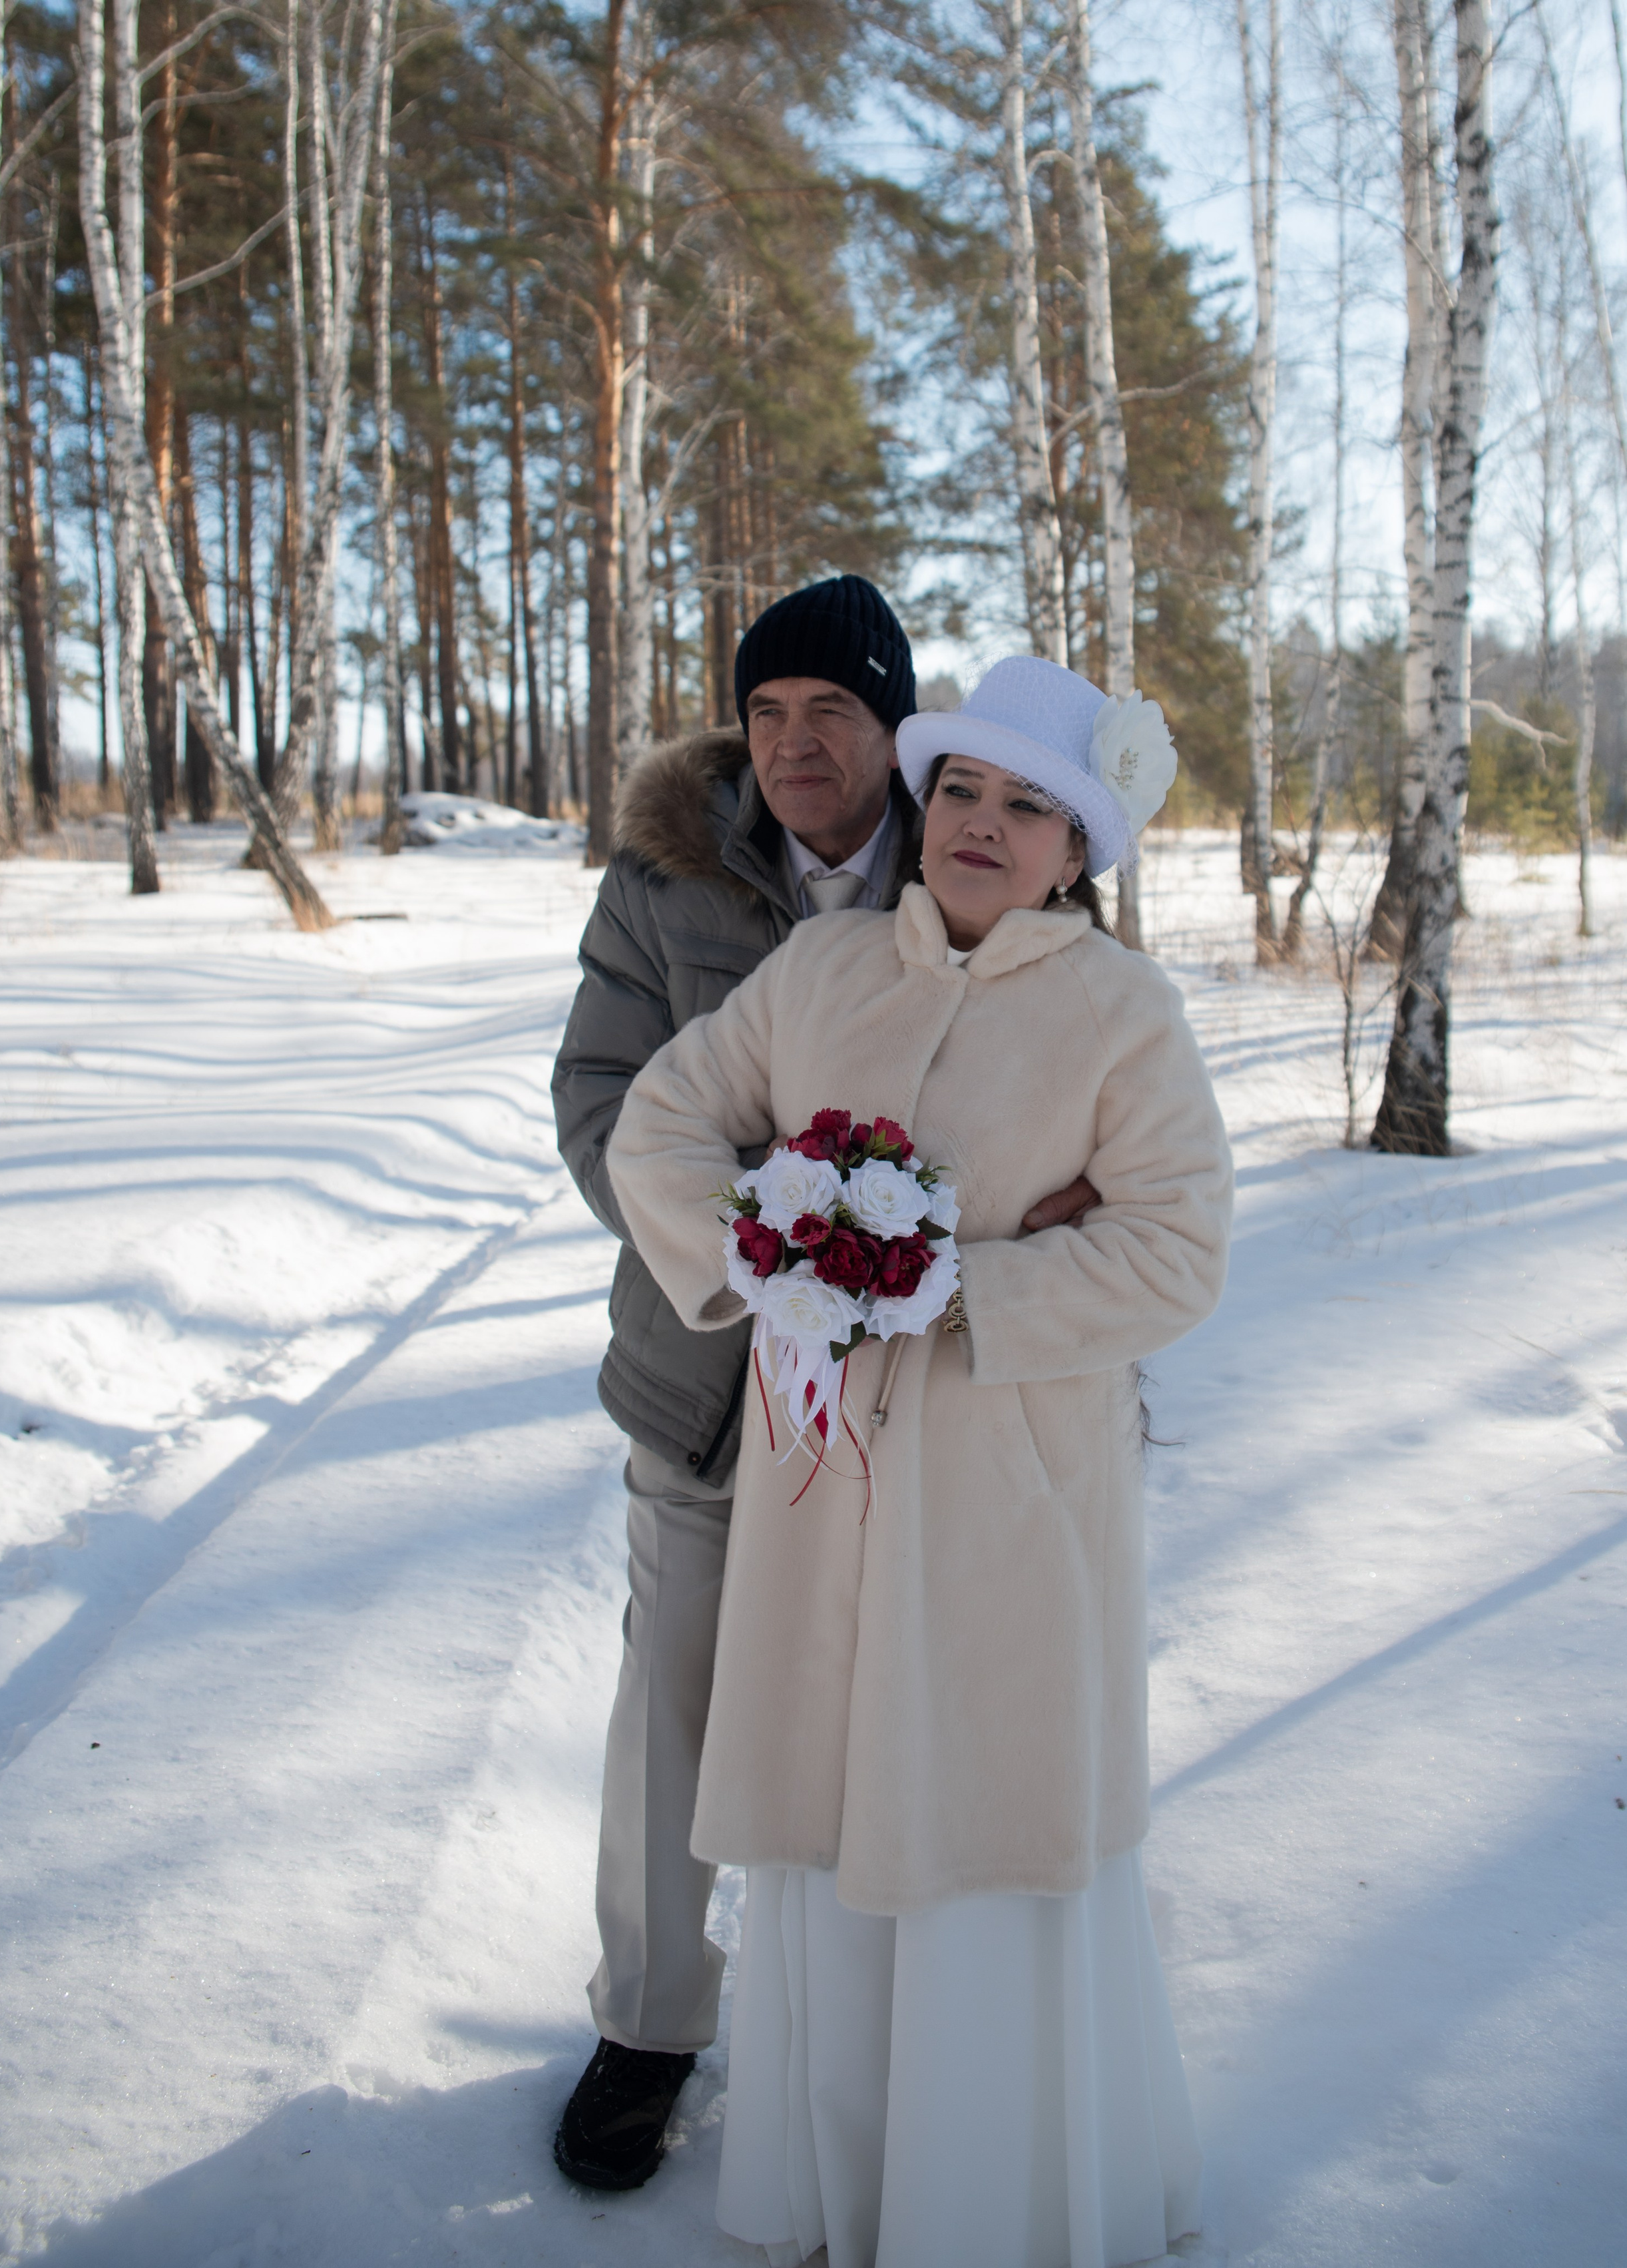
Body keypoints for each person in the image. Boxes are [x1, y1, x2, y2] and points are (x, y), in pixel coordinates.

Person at [604, 655, 1234, 2265]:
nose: (981, 824)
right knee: (831, 1795)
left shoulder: (1120, 1012)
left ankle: (991, 2195)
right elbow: (660, 1121)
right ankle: (837, 2176)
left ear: (1075, 852)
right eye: (960, 787)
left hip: (1009, 1494)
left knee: (980, 1796)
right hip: (823, 1493)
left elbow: (1176, 1252)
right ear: (925, 797)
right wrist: (769, 1250)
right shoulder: (818, 972)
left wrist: (957, 1279)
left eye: (1030, 806)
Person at [550, 591, 1101, 2192]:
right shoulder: (665, 882)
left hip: (940, 1417)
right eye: (768, 711)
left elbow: (1073, 1085)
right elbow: (606, 1107)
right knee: (680, 1705)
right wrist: (788, 1251)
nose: (795, 744)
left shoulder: (986, 846)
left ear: (896, 733)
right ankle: (647, 2021)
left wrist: (979, 1244)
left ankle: (861, 2042)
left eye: (832, 715)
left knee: (897, 1712)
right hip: (717, 1384)